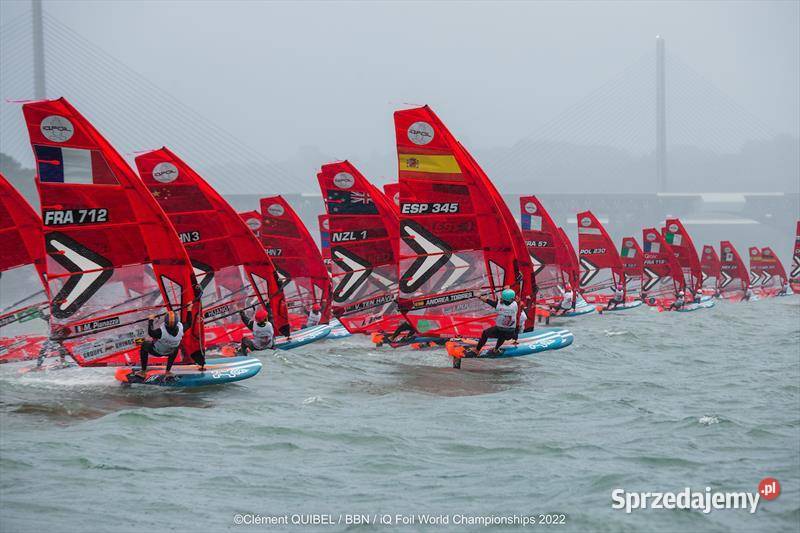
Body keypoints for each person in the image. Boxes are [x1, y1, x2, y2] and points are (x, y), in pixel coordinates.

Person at [133, 309, 197, 379]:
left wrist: (151, 320)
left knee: (144, 345)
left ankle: (143, 371)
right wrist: (189, 310)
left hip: (157, 352)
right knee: (176, 346)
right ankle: (168, 371)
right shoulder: (182, 329)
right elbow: (189, 322)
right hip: (170, 352)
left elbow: (151, 332)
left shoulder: (160, 332)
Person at [469, 288, 518, 356]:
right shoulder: (515, 305)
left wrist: (479, 296)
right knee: (502, 336)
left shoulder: (498, 305)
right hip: (511, 333)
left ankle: (477, 350)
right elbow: (511, 300)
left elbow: (487, 301)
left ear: (503, 299)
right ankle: (496, 349)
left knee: (485, 333)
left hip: (500, 330)